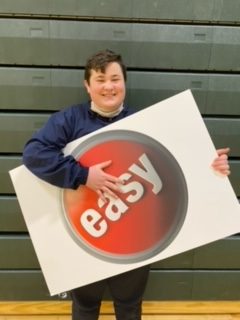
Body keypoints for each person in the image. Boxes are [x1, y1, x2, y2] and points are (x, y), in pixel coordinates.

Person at [22, 49, 230, 320]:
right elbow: (34, 154)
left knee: (129, 307)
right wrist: (83, 176)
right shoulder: (70, 120)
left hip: (134, 236)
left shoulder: (146, 125)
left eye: (115, 78)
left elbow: (178, 166)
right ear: (88, 86)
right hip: (86, 235)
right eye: (100, 79)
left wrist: (211, 168)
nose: (108, 86)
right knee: (85, 308)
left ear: (124, 83)